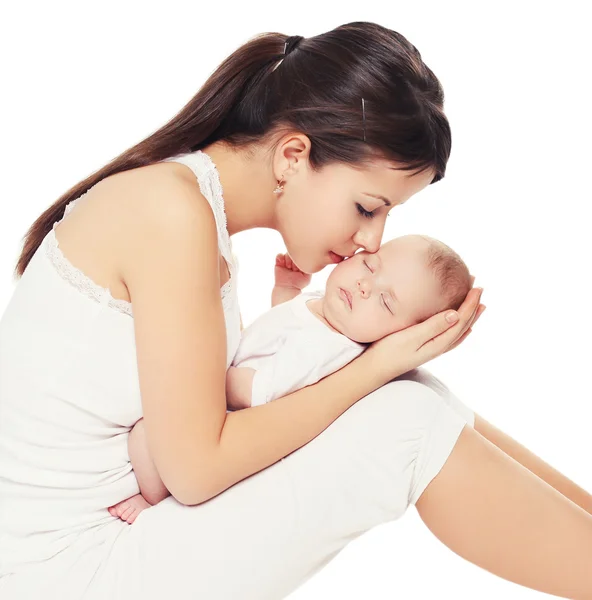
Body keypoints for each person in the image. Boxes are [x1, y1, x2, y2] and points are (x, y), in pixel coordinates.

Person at [0, 21, 591, 600]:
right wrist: (371, 369)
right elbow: (197, 469)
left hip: (117, 531)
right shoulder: (170, 214)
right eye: (367, 207)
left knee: (418, 392)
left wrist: (385, 366)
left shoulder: (186, 208)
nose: (372, 240)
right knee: (407, 423)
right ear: (291, 155)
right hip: (74, 569)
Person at [108, 233, 472, 524]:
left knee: (146, 434)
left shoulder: (332, 348)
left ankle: (155, 500)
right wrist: (288, 290)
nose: (365, 285)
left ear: (397, 336)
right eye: (369, 264)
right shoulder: (325, 309)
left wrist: (200, 373)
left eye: (386, 302)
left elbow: (261, 391)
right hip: (217, 413)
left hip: (233, 427)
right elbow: (282, 332)